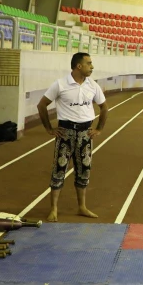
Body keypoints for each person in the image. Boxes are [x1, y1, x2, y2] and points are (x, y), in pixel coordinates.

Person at [37, 52, 108, 222]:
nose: (92, 67)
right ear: (79, 66)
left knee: (84, 170)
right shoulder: (60, 84)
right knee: (59, 169)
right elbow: (42, 105)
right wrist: (49, 128)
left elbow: (104, 108)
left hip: (85, 134)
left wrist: (98, 129)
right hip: (65, 133)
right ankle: (53, 209)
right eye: (89, 63)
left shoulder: (93, 85)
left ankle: (82, 207)